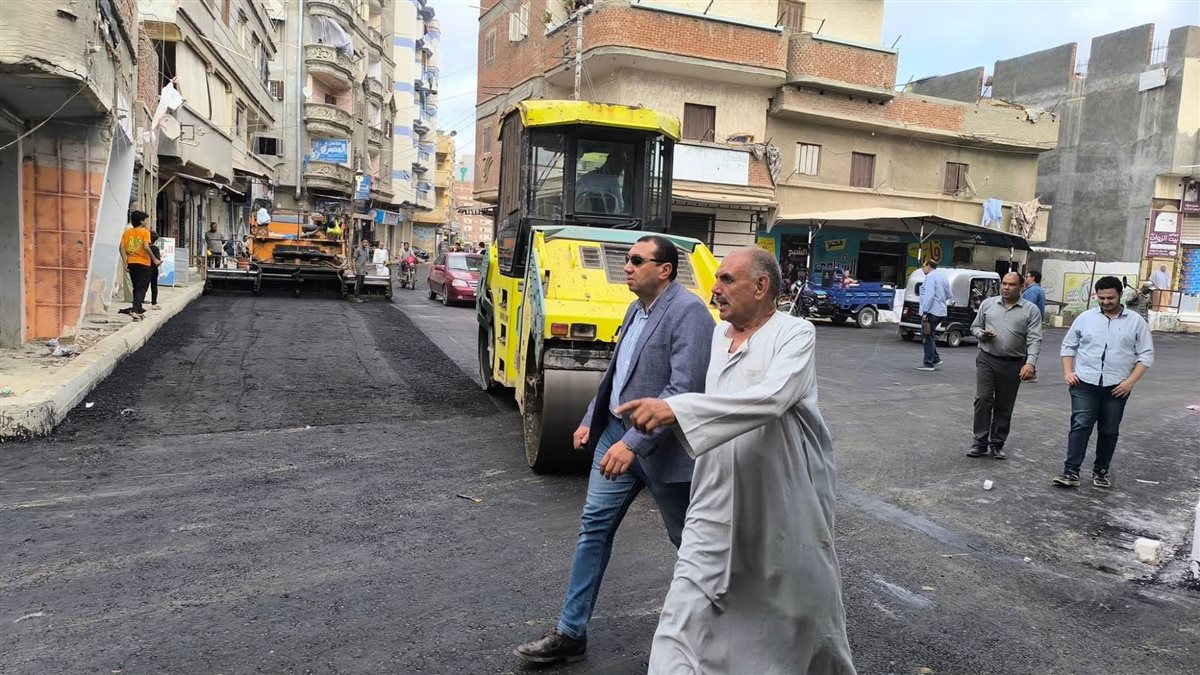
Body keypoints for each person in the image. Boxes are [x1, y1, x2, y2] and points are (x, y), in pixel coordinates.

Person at [618, 247, 855, 675]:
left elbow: (772, 398)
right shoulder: (718, 336)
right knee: (681, 615)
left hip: (779, 503)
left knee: (796, 620)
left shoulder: (795, 334)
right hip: (714, 498)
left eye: (727, 279)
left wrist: (676, 410)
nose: (715, 288)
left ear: (761, 286)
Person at [513, 236, 715, 666]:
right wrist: (592, 418)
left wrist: (632, 444)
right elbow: (618, 374)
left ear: (664, 269)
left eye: (637, 260)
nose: (626, 266)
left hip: (664, 452)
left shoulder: (690, 312)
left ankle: (723, 631)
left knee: (693, 545)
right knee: (594, 528)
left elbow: (683, 391)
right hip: (616, 438)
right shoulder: (635, 309)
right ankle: (571, 633)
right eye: (627, 259)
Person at [1054, 275, 1154, 489]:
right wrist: (1068, 372)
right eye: (1101, 298)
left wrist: (1130, 382)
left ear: (1120, 295)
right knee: (1081, 425)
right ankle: (1071, 472)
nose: (1106, 302)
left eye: (1110, 298)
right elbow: (1068, 346)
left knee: (1109, 430)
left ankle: (1101, 471)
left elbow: (1146, 355)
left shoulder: (1136, 322)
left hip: (1117, 387)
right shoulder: (1085, 318)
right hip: (1084, 383)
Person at [967, 272, 1042, 460]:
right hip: (987, 359)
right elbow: (974, 327)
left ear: (1021, 287)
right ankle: (979, 443)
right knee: (983, 398)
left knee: (1004, 405)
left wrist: (1030, 363)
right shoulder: (988, 304)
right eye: (1004, 283)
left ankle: (997, 444)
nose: (1006, 287)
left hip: (1013, 363)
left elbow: (1035, 339)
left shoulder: (1031, 310)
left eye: (1011, 284)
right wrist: (982, 335)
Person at [915, 259, 951, 371]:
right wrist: (940, 300)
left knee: (927, 336)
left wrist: (925, 311)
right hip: (941, 311)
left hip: (931, 311)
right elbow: (949, 294)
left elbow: (929, 296)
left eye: (923, 266)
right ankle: (935, 359)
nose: (922, 268)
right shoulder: (943, 276)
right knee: (930, 335)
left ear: (929, 266)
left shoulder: (930, 277)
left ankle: (928, 363)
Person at [120, 211, 155, 321]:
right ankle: (135, 310)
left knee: (136, 287)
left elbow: (121, 248)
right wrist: (154, 259)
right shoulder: (145, 232)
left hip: (131, 263)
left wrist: (125, 262)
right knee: (142, 288)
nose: (147, 222)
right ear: (141, 221)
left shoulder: (127, 233)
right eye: (146, 220)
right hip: (143, 263)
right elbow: (146, 246)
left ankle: (138, 309)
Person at [576, 149, 628, 214]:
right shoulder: (612, 180)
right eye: (619, 164)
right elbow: (620, 207)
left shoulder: (586, 176)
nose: (621, 169)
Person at [352, 239, 371, 303]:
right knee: (358, 284)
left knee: (361, 284)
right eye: (364, 242)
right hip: (358, 270)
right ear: (361, 243)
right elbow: (353, 260)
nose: (365, 243)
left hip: (363, 270)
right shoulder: (358, 250)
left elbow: (365, 260)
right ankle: (355, 298)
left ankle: (358, 296)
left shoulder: (366, 250)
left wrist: (367, 268)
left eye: (366, 242)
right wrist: (354, 270)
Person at [148, 232, 163, 310]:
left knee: (142, 287)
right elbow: (157, 261)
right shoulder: (155, 249)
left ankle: (138, 303)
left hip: (144, 269)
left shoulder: (143, 247)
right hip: (153, 269)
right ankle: (153, 304)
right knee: (154, 286)